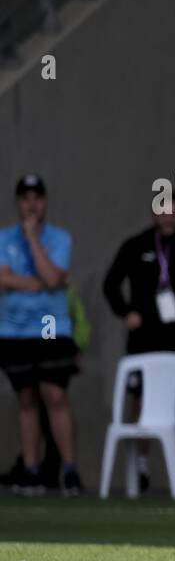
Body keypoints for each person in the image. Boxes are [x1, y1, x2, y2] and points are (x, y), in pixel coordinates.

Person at [101, 199, 175, 492]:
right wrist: (125, 312)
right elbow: (110, 283)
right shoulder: (136, 246)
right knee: (141, 402)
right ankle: (140, 465)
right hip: (143, 339)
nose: (169, 216)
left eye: (174, 210)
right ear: (154, 212)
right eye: (164, 210)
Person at [0, 175, 81, 495]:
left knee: (55, 394)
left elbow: (50, 277)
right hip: (13, 330)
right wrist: (32, 282)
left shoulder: (59, 238)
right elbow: (3, 279)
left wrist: (33, 240)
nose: (31, 204)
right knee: (26, 398)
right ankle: (31, 468)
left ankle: (70, 470)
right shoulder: (4, 238)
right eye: (25, 198)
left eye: (36, 198)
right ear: (17, 202)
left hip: (49, 326)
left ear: (45, 202)